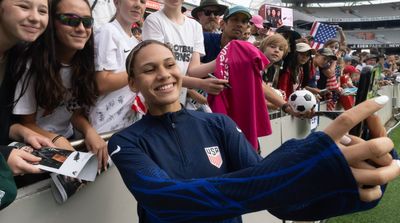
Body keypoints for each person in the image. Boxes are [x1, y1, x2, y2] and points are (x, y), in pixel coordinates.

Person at [109, 39, 400, 223]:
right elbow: (166, 200)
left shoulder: (218, 123)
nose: (163, 74)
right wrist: (295, 166)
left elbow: (277, 199)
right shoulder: (126, 141)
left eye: (170, 64)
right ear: (133, 83)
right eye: (149, 69)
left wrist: (340, 187)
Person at [12, 0, 108, 170]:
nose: (80, 28)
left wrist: (89, 131)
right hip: (37, 147)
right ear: (51, 23)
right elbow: (26, 123)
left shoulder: (84, 64)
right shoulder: (31, 64)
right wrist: (56, 139)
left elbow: (74, 112)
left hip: (70, 141)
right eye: (70, 20)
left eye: (87, 22)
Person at [0, 0, 54, 209]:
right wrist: (4, 156)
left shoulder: (18, 57)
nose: (35, 17)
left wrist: (20, 131)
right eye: (24, 6)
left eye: (42, 10)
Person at [142, 0, 228, 107]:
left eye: (216, 13)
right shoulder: (154, 21)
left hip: (179, 99)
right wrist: (201, 84)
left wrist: (224, 59)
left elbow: (193, 70)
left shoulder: (195, 26)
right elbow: (160, 72)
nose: (212, 15)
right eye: (208, 12)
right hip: (158, 98)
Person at [89, 0, 146, 133]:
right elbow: (102, 83)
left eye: (143, 1)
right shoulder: (108, 31)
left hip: (128, 125)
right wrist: (141, 70)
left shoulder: (134, 41)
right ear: (116, 2)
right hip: (104, 127)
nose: (138, 5)